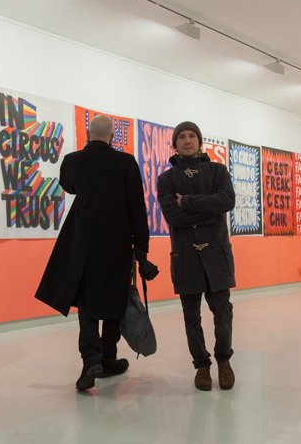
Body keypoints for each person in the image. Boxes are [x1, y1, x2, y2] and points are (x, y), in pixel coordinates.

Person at [35, 115, 150, 392]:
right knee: (113, 302)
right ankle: (108, 358)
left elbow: (69, 186)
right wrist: (142, 248)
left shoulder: (72, 161)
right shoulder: (126, 163)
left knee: (86, 304)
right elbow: (137, 207)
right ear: (112, 137)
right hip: (117, 243)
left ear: (88, 134)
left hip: (82, 242)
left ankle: (91, 360)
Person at [156, 121, 237, 391]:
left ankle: (224, 360)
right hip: (185, 256)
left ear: (199, 142)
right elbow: (172, 216)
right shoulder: (166, 180)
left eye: (192, 136)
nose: (187, 140)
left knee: (223, 314)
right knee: (191, 317)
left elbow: (227, 201)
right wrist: (209, 210)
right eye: (182, 137)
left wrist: (188, 201)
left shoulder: (217, 171)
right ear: (175, 144)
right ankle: (201, 364)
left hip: (216, 254)